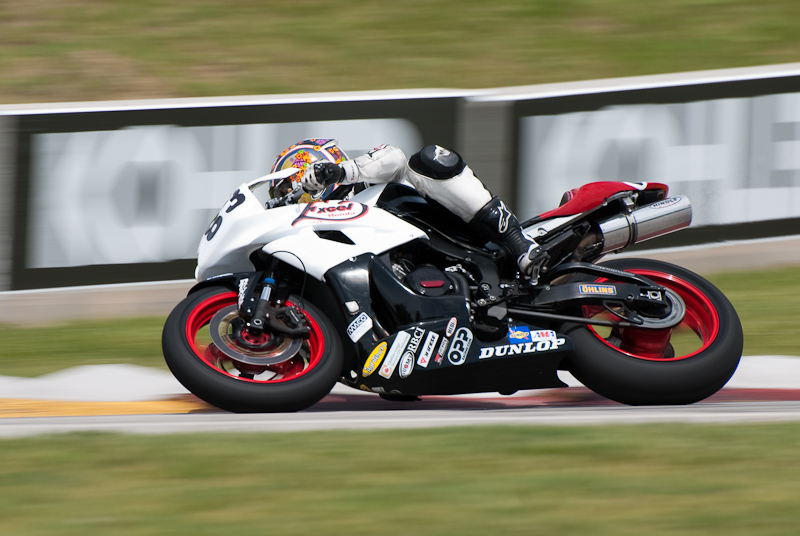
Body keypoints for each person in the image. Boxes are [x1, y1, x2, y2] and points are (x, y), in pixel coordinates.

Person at [270, 139, 547, 281]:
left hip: (460, 236)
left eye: (287, 189)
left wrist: (341, 172)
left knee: (427, 160)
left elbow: (395, 158)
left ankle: (518, 242)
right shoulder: (322, 232)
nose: (290, 199)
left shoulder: (364, 179)